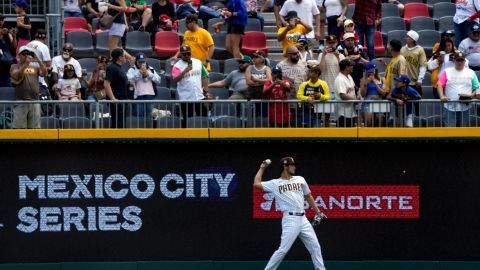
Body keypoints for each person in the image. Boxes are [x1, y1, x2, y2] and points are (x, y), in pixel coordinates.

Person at [253, 156, 327, 270]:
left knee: (315, 247)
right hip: (290, 219)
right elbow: (256, 183)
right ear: (285, 166)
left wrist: (318, 212)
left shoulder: (300, 179)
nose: (294, 167)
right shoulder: (275, 183)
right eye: (292, 165)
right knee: (283, 250)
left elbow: (308, 196)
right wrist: (262, 168)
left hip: (303, 219)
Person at [437, 52, 479, 127]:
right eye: (458, 60)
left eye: (461, 60)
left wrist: (471, 95)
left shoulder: (471, 72)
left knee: (463, 132)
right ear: (454, 61)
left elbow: (476, 87)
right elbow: (439, 85)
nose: (460, 62)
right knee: (449, 132)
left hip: (465, 107)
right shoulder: (446, 71)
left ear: (464, 61)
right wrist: (441, 96)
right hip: (449, 106)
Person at [9, 46, 47, 129]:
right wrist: (26, 64)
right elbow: (16, 75)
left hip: (35, 101)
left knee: (35, 129)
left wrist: (38, 60)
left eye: (28, 54)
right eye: (24, 54)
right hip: (21, 101)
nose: (26, 56)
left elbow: (45, 73)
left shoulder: (35, 67)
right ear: (19, 56)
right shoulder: (14, 66)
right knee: (19, 129)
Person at [172, 45, 209, 126]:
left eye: (188, 54)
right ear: (180, 54)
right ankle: (188, 137)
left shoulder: (198, 62)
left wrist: (206, 91)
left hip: (199, 96)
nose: (187, 56)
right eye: (184, 54)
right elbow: (175, 79)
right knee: (188, 119)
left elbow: (204, 77)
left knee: (203, 118)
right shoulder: (176, 66)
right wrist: (185, 70)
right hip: (186, 98)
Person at [127, 52, 162, 117]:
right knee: (138, 116)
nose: (142, 64)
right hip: (137, 96)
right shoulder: (132, 70)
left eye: (143, 62)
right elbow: (129, 80)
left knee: (148, 116)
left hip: (149, 95)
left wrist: (148, 74)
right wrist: (139, 73)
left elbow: (158, 80)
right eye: (140, 62)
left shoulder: (151, 69)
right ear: (136, 62)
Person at [401, 30, 427, 116]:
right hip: (403, 82)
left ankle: (418, 123)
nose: (405, 38)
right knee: (404, 104)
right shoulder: (402, 49)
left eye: (407, 36)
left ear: (412, 39)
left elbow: (423, 65)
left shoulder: (420, 50)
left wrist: (420, 79)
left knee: (417, 105)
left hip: (415, 82)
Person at [104, 48, 130, 128]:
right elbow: (106, 84)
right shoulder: (111, 68)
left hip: (123, 99)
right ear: (120, 58)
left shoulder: (120, 68)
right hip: (117, 100)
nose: (125, 57)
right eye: (124, 56)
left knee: (121, 122)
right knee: (117, 123)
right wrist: (113, 98)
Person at [360, 62, 386, 127]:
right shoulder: (363, 80)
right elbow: (363, 94)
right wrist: (366, 85)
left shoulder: (382, 79)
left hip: (379, 100)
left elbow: (383, 93)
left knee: (380, 120)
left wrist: (374, 83)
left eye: (372, 71)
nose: (371, 73)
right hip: (368, 100)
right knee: (368, 121)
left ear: (375, 70)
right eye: (369, 72)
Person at [27, 29, 52, 97]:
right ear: (45, 37)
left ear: (35, 36)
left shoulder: (28, 44)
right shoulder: (44, 46)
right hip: (38, 77)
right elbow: (48, 64)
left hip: (27, 74)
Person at [335, 59, 357, 127]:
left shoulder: (349, 77)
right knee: (343, 136)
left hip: (351, 112)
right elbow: (342, 95)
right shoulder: (340, 79)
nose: (352, 67)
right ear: (346, 67)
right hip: (342, 113)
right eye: (351, 66)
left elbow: (353, 89)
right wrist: (355, 100)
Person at [0, 14, 16, 87]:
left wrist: (14, 36)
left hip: (6, 61)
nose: (1, 21)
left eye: (2, 19)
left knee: (6, 82)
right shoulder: (3, 31)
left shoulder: (6, 32)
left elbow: (14, 46)